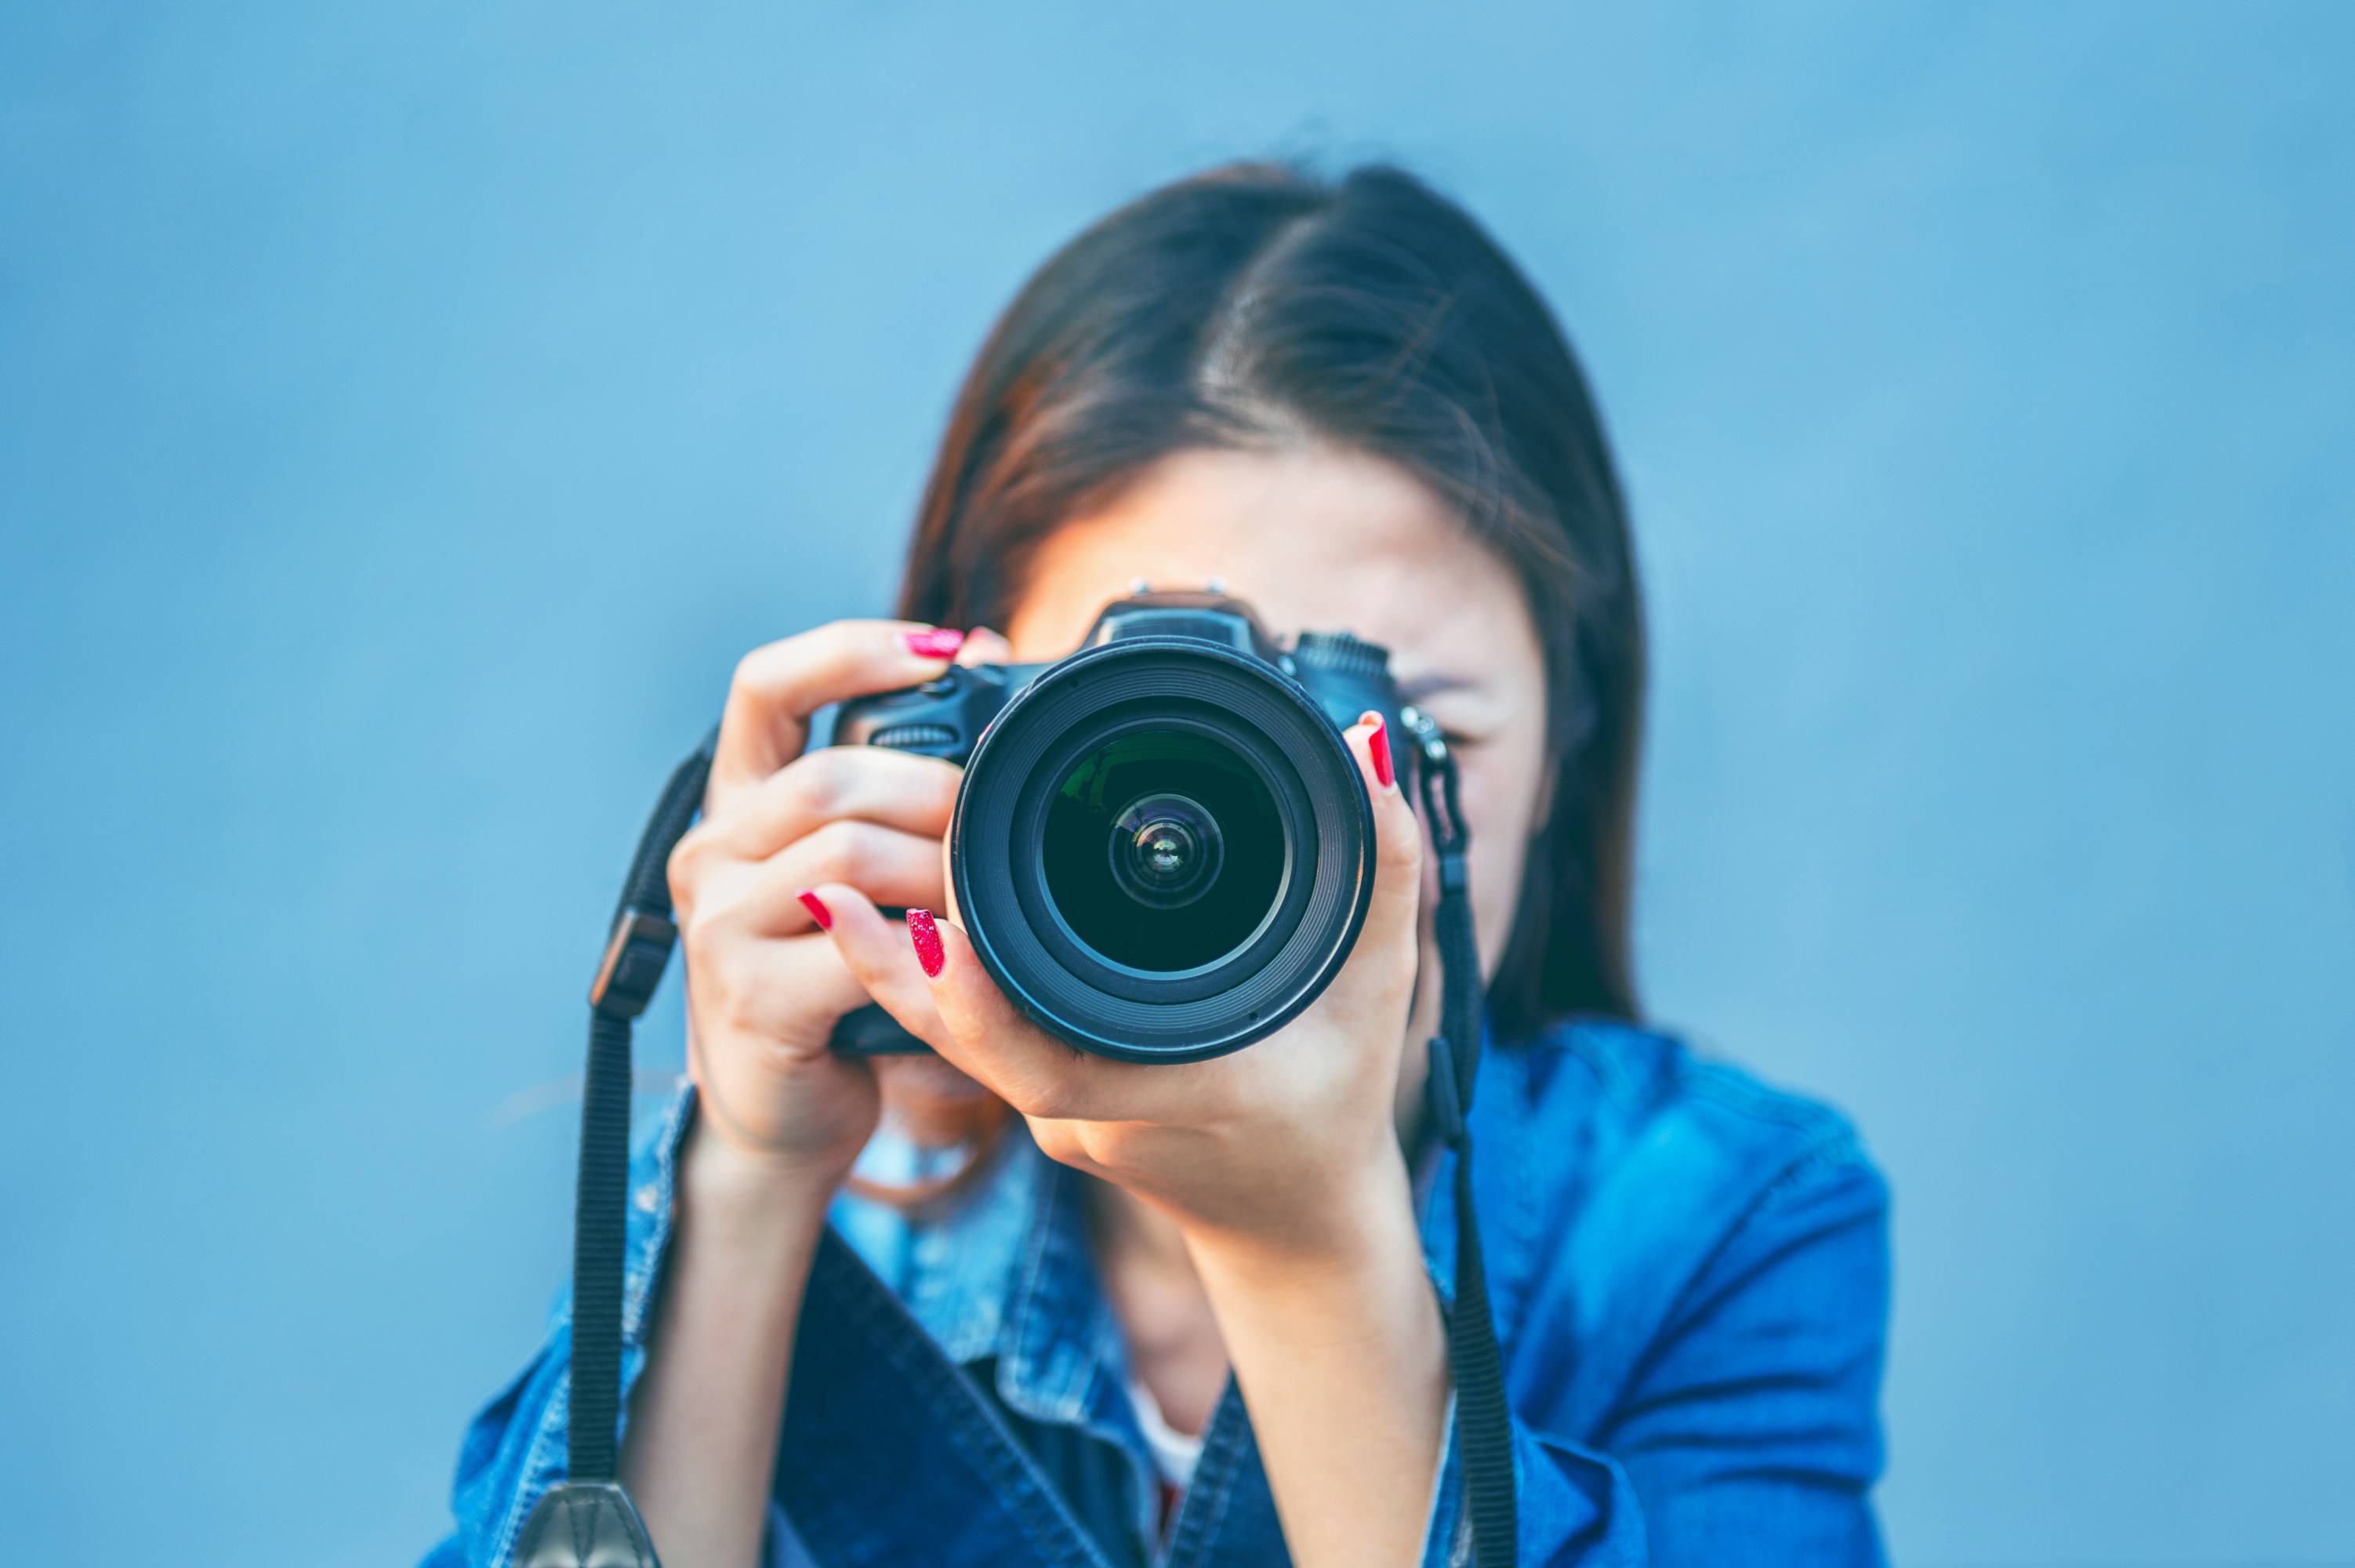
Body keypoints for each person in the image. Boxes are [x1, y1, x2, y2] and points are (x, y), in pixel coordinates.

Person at [426, 163, 1889, 1568]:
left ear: (1568, 749)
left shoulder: (1715, 1215)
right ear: (958, 744)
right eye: (1150, 744)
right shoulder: (838, 1203)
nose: (1288, 831)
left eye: (1394, 731)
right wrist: (746, 1177)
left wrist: (1308, 1249)